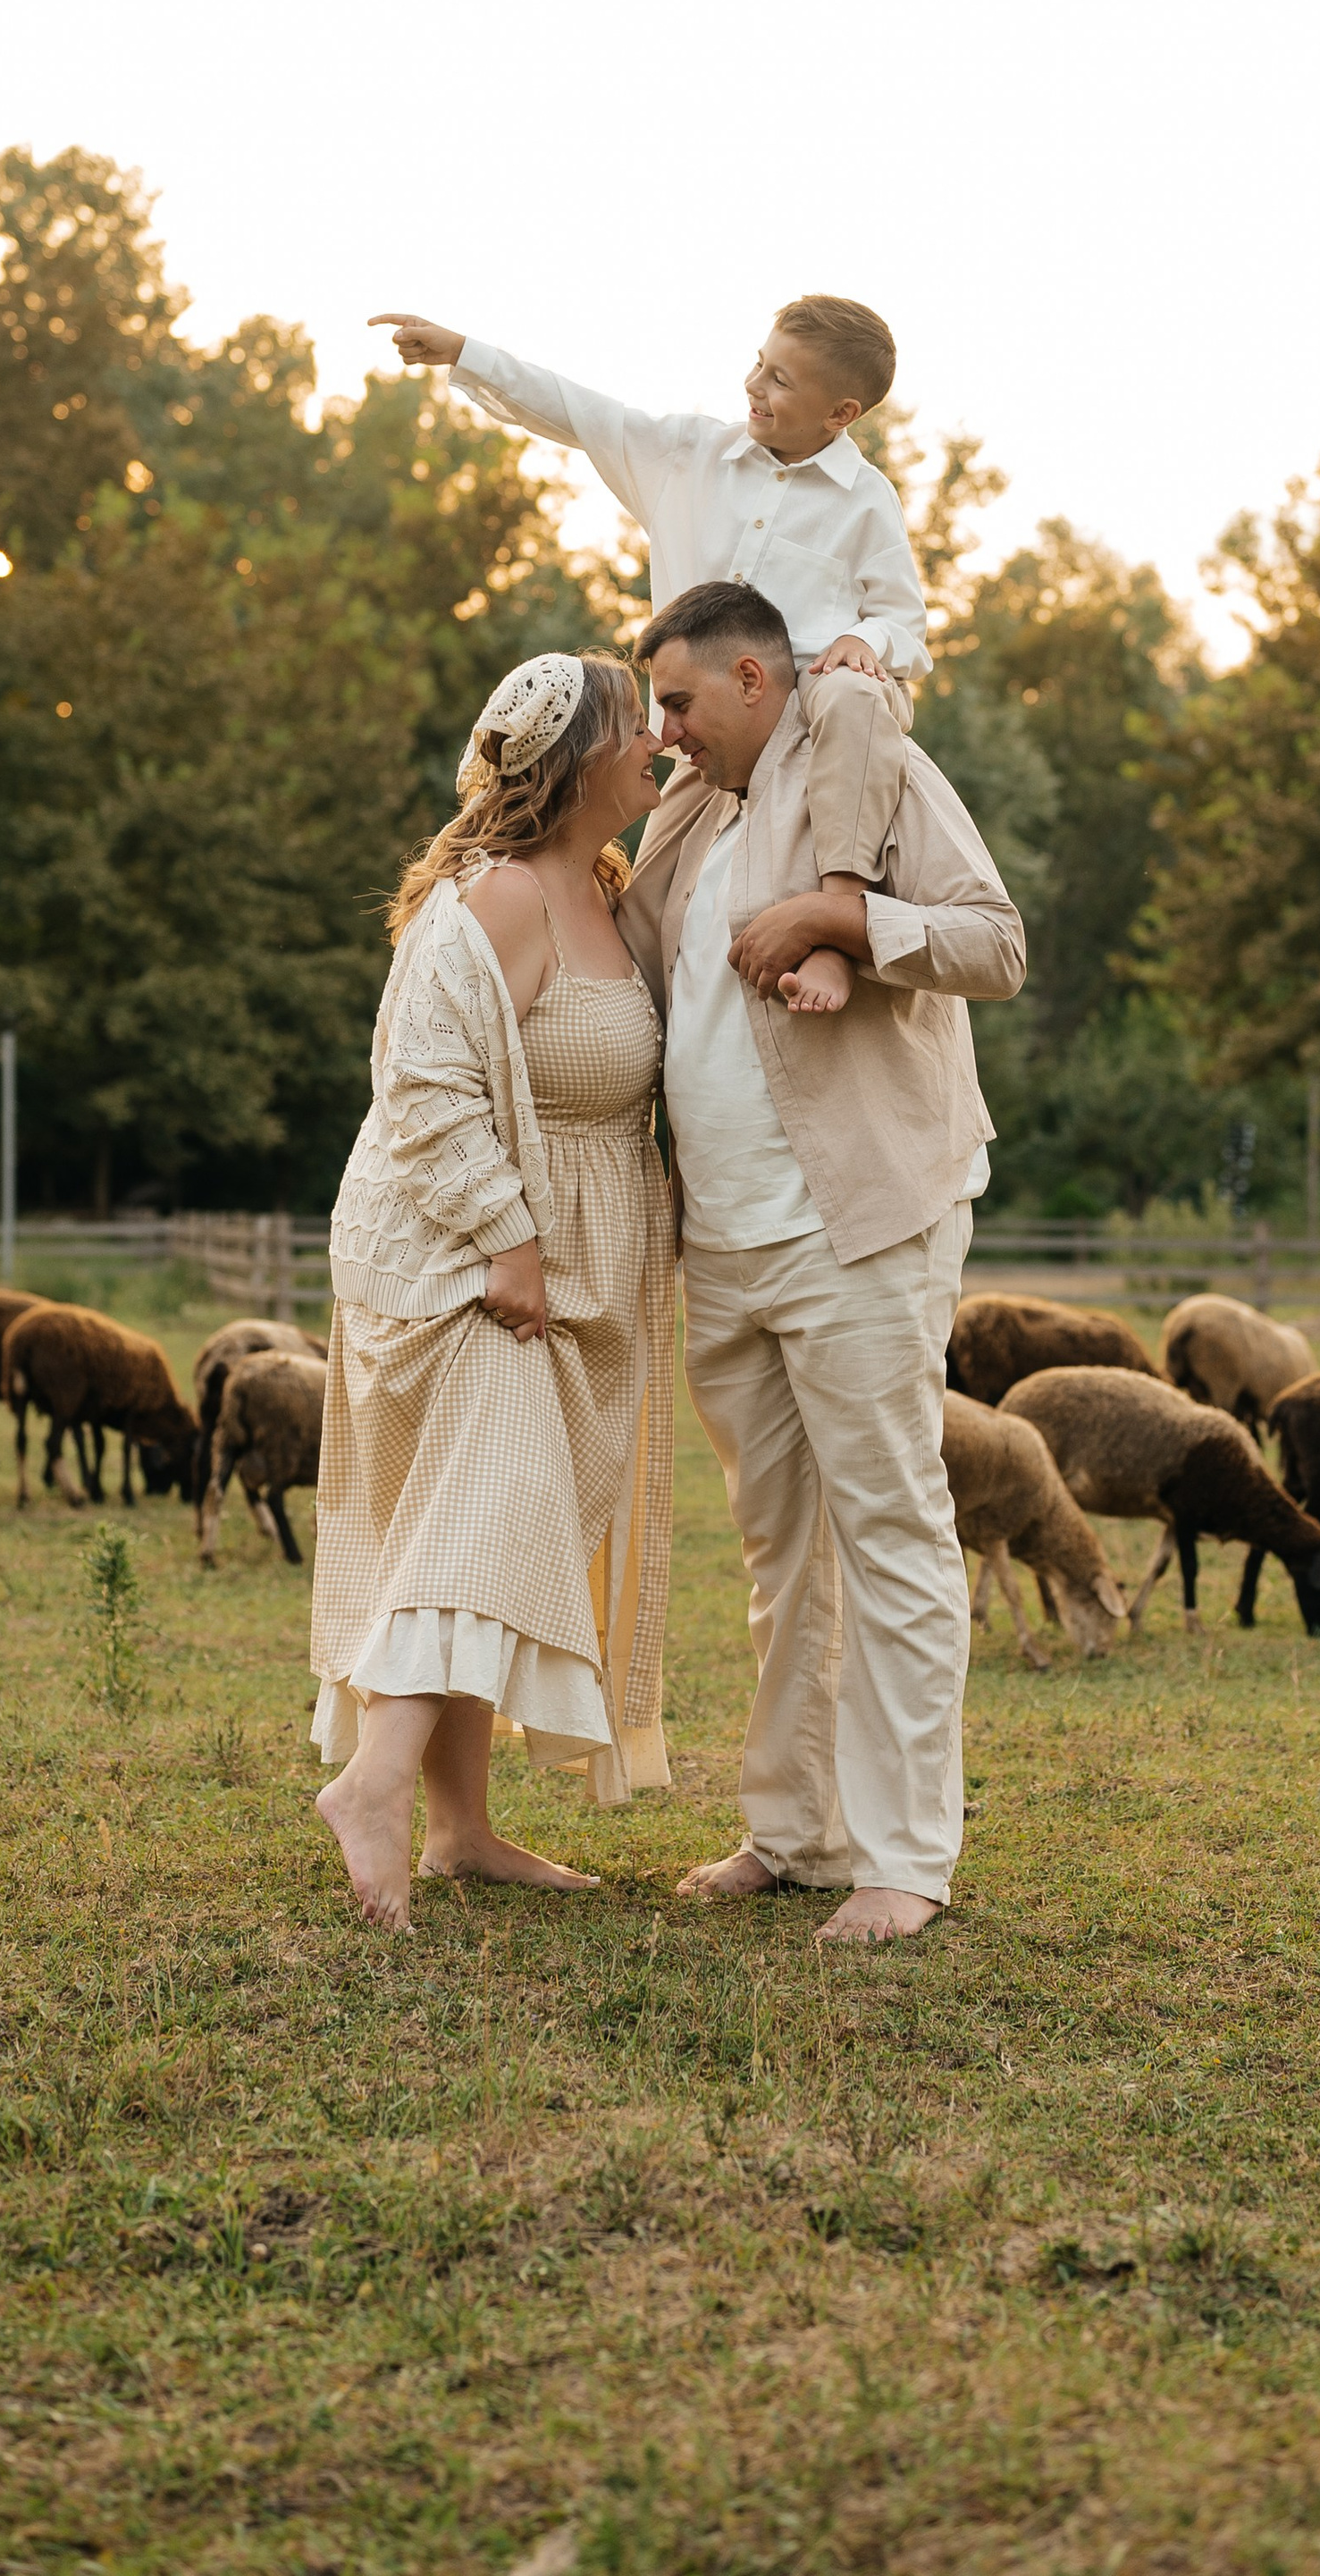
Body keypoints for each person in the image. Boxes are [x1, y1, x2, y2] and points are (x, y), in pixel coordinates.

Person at [617, 578, 1027, 1948]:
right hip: (723, 1243)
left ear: (751, 678)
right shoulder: (690, 813)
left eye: (677, 701)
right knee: (778, 1548)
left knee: (892, 1530)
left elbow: (995, 942)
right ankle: (793, 1831)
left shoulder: (873, 759)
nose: (663, 732)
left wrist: (847, 924)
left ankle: (906, 1858)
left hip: (857, 1224)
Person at [308, 652, 677, 1932]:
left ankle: (462, 1831)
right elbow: (422, 1085)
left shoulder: (610, 892)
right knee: (482, 1516)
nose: (661, 742)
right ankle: (374, 1787)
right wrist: (506, 1241)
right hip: (463, 1265)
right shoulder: (501, 899)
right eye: (641, 726)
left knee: (499, 1527)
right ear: (576, 761)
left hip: (570, 1272)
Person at [371, 299, 921, 1017]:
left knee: (855, 694)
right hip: (710, 734)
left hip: (816, 707)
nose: (755, 384)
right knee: (643, 906)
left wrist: (866, 640)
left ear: (840, 413)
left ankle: (837, 917)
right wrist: (463, 351)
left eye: (781, 380)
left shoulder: (867, 500)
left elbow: (904, 622)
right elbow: (581, 410)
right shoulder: (690, 456)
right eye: (760, 363)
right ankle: (628, 1057)